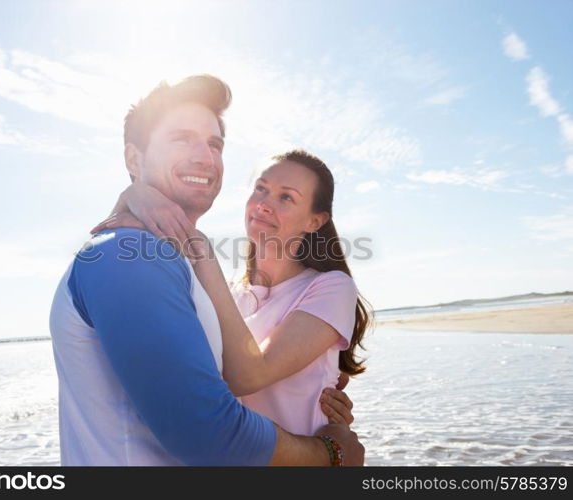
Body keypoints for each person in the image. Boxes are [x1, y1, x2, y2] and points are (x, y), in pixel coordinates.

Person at [49, 74, 364, 466]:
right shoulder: (127, 256)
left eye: (214, 144)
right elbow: (210, 429)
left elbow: (221, 391)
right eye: (181, 138)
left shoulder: (188, 271)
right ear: (134, 158)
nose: (204, 156)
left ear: (315, 220)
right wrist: (331, 453)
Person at [94, 149, 371, 437]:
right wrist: (133, 195)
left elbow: (250, 375)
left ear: (314, 221)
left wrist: (201, 250)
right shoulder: (228, 294)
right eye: (261, 189)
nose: (264, 204)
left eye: (286, 197)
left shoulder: (331, 287)